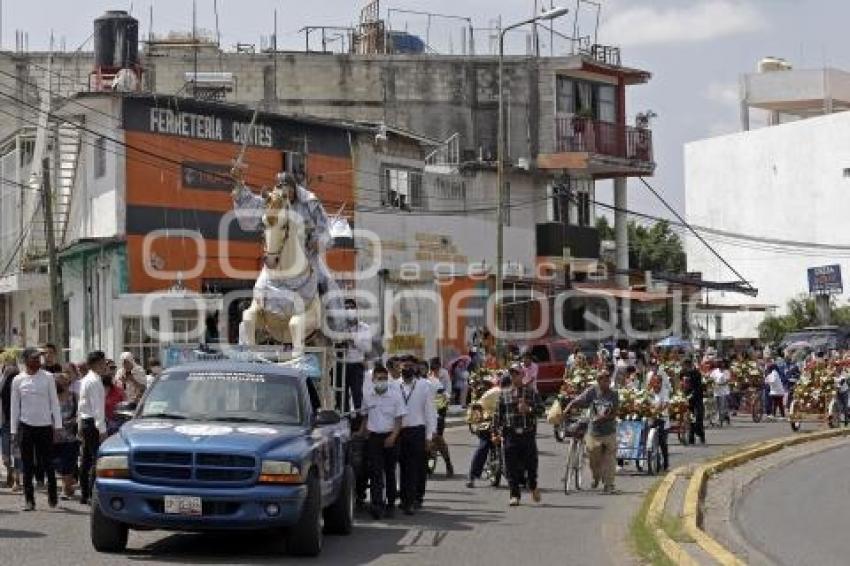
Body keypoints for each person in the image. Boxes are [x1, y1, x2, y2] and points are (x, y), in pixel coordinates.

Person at [9, 347, 62, 510]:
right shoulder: (18, 380)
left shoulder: (47, 377)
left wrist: (58, 426)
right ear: (26, 361)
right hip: (26, 427)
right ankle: (29, 500)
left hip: (45, 426)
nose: (38, 361)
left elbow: (54, 402)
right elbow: (14, 407)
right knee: (27, 464)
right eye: (34, 358)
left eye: (39, 358)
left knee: (48, 463)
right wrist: (13, 430)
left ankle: (52, 494)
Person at [359, 364, 405, 520]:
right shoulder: (368, 396)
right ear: (373, 380)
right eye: (379, 379)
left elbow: (399, 419)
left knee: (390, 472)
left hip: (391, 436)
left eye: (385, 379)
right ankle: (377, 505)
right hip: (374, 438)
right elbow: (365, 416)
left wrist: (393, 437)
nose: (382, 381)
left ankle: (390, 504)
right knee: (376, 472)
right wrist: (361, 433)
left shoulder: (395, 395)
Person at [493, 363, 544, 506]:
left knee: (531, 465)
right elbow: (498, 415)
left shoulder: (531, 392)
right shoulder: (504, 394)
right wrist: (495, 432)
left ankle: (533, 485)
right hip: (510, 433)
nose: (514, 376)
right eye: (512, 374)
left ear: (522, 375)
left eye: (517, 373)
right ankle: (514, 495)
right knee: (511, 466)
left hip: (527, 434)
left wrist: (529, 409)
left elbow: (541, 410)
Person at [566, 369, 620, 494]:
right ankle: (596, 477)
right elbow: (579, 400)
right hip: (594, 432)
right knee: (593, 459)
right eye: (604, 380)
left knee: (610, 459)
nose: (607, 383)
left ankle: (609, 485)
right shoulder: (592, 391)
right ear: (598, 381)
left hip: (609, 431)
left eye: (608, 380)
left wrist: (603, 418)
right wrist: (569, 406)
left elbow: (615, 413)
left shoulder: (614, 394)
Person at [397, 358, 437, 515]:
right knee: (402, 467)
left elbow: (430, 412)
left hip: (416, 431)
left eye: (410, 366)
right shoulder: (394, 385)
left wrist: (429, 437)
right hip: (399, 431)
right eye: (404, 366)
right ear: (400, 368)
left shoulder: (424, 386)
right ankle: (403, 498)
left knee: (413, 468)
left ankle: (410, 501)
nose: (407, 368)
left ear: (415, 368)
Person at [77, 350, 108, 505]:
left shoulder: (86, 379)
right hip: (93, 423)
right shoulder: (94, 381)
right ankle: (91, 493)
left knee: (86, 460)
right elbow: (98, 408)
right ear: (96, 363)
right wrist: (102, 430)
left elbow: (81, 405)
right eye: (103, 362)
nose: (105, 365)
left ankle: (85, 494)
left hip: (85, 421)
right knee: (96, 459)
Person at [466, 373, 506, 488]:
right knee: (484, 446)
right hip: (490, 423)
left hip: (505, 424)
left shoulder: (511, 392)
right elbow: (478, 405)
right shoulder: (494, 392)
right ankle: (472, 476)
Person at [337, 299, 372, 415]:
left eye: (351, 307)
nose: (349, 310)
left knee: (357, 394)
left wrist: (353, 339)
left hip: (357, 364)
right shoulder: (339, 327)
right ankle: (344, 418)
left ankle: (359, 421)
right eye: (346, 308)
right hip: (341, 364)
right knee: (341, 395)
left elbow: (367, 348)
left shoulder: (364, 328)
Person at [53, 370, 79, 500]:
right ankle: (69, 485)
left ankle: (64, 489)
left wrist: (74, 420)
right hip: (54, 437)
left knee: (67, 464)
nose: (63, 386)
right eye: (59, 383)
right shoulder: (50, 398)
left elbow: (81, 413)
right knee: (58, 464)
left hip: (71, 437)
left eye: (65, 383)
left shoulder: (74, 396)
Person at [1, 365, 21, 491]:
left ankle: (17, 480)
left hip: (19, 423)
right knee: (6, 455)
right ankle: (10, 470)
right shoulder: (2, 383)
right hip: (5, 422)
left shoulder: (21, 382)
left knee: (17, 453)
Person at [429, 384, 454, 477]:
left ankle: (448, 463)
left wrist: (444, 403)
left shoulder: (435, 383)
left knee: (437, 440)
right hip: (423, 419)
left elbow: (446, 398)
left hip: (437, 417)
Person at [681, 359, 706, 444]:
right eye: (684, 366)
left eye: (687, 366)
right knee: (690, 418)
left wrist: (693, 394)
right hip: (687, 398)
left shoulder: (697, 373)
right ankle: (691, 437)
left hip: (697, 398)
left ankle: (700, 434)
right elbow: (681, 385)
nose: (686, 367)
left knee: (699, 417)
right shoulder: (682, 373)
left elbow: (699, 386)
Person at [649, 374, 670, 472]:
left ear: (661, 383)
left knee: (662, 442)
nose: (656, 384)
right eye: (654, 382)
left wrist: (658, 410)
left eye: (658, 382)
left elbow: (665, 404)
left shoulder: (664, 392)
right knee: (651, 441)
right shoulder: (650, 392)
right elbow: (647, 403)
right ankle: (655, 461)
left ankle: (666, 462)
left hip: (663, 419)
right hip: (653, 419)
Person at [103, 360, 126, 435]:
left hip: (115, 425)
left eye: (114, 368)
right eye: (111, 367)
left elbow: (124, 404)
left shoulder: (118, 388)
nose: (112, 370)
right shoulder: (96, 389)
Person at [710, 360, 731, 425]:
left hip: (724, 391)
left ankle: (721, 419)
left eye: (722, 363)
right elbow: (710, 378)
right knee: (715, 406)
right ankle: (717, 419)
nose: (721, 364)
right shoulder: (715, 371)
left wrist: (720, 384)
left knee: (722, 406)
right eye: (720, 363)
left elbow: (727, 380)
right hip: (716, 390)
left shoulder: (726, 371)